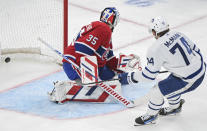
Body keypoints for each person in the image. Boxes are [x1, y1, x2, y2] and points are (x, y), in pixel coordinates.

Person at [119, 16, 206, 125]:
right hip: (200, 69)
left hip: (191, 79)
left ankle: (151, 116)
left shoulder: (155, 48)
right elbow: (196, 50)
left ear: (155, 32)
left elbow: (148, 76)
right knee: (169, 84)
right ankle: (175, 107)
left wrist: (129, 78)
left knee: (157, 91)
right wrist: (193, 66)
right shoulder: (178, 33)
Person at [48, 7, 141, 104]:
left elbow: (109, 60)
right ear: (114, 21)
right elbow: (82, 48)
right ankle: (61, 89)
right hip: (74, 63)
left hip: (86, 64)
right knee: (91, 85)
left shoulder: (104, 31)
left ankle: (125, 77)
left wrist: (122, 66)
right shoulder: (103, 29)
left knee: (110, 74)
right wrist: (87, 72)